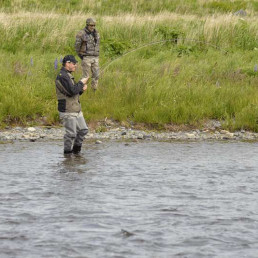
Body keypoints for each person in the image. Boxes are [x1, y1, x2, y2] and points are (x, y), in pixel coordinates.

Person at [55, 55, 89, 155]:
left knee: (83, 130)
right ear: (67, 63)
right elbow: (71, 91)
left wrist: (81, 90)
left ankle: (76, 152)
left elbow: (74, 93)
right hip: (67, 110)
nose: (75, 66)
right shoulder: (63, 76)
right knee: (71, 134)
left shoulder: (68, 75)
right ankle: (67, 155)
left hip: (76, 109)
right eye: (74, 64)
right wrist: (81, 83)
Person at [75, 17, 100, 90]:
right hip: (86, 57)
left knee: (96, 75)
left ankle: (94, 90)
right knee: (85, 76)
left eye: (94, 25)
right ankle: (79, 90)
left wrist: (97, 55)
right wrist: (82, 56)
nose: (93, 27)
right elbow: (77, 46)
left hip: (95, 57)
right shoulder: (81, 33)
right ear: (87, 25)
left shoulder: (96, 33)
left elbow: (98, 44)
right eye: (91, 25)